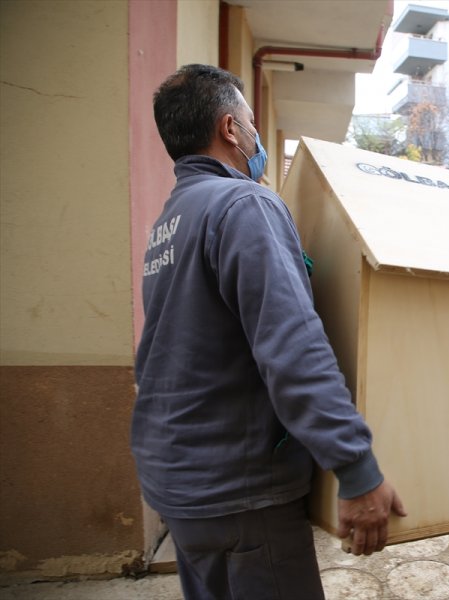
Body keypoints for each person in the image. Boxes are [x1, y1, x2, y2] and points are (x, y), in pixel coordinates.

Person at [131, 64, 405, 600]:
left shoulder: (171, 218)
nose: (258, 137)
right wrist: (356, 468)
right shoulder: (244, 206)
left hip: (179, 480)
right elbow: (293, 349)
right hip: (239, 490)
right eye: (253, 124)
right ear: (231, 129)